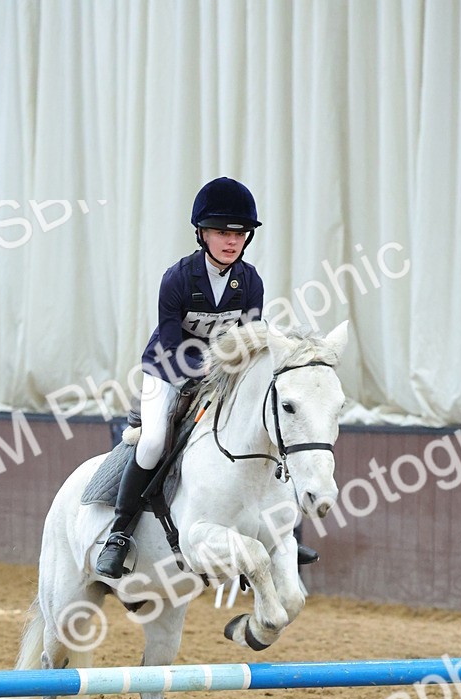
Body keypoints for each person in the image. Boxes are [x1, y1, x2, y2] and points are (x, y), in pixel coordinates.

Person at [95, 176, 318, 578]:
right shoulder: (178, 279)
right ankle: (119, 533)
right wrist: (201, 376)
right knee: (152, 442)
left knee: (261, 431)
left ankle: (277, 532)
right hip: (167, 369)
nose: (231, 240)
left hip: (224, 375)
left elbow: (250, 343)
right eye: (221, 232)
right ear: (202, 233)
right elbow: (169, 342)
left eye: (239, 233)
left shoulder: (249, 282)